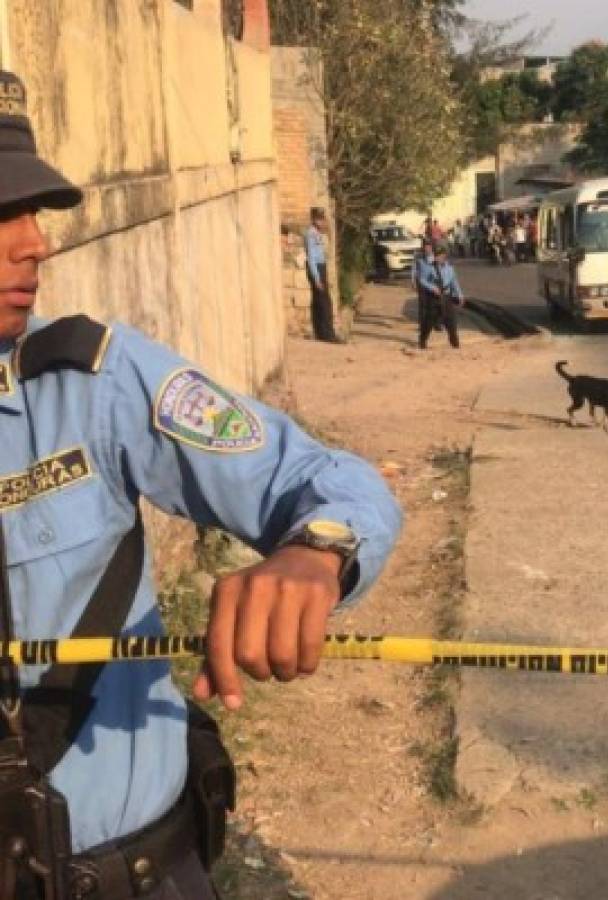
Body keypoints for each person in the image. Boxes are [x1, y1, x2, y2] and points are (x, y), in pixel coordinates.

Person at [0, 69, 403, 898]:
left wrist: (315, 553)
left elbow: (321, 481)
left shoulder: (93, 383)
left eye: (29, 211)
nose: (33, 242)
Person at [418, 242, 465, 349]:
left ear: (444, 256)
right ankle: (422, 340)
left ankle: (455, 344)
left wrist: (460, 295)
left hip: (447, 297)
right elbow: (422, 280)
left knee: (451, 322)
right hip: (434, 298)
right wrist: (432, 287)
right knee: (429, 321)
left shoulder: (449, 268)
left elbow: (454, 282)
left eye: (441, 255)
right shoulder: (430, 267)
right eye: (437, 255)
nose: (439, 257)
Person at [304, 207, 339, 343]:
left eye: (322, 219)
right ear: (313, 220)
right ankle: (328, 334)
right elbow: (311, 258)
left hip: (321, 267)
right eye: (320, 219)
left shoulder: (318, 233)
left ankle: (321, 333)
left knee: (320, 301)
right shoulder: (311, 234)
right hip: (316, 268)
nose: (322, 222)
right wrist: (317, 278)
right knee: (324, 302)